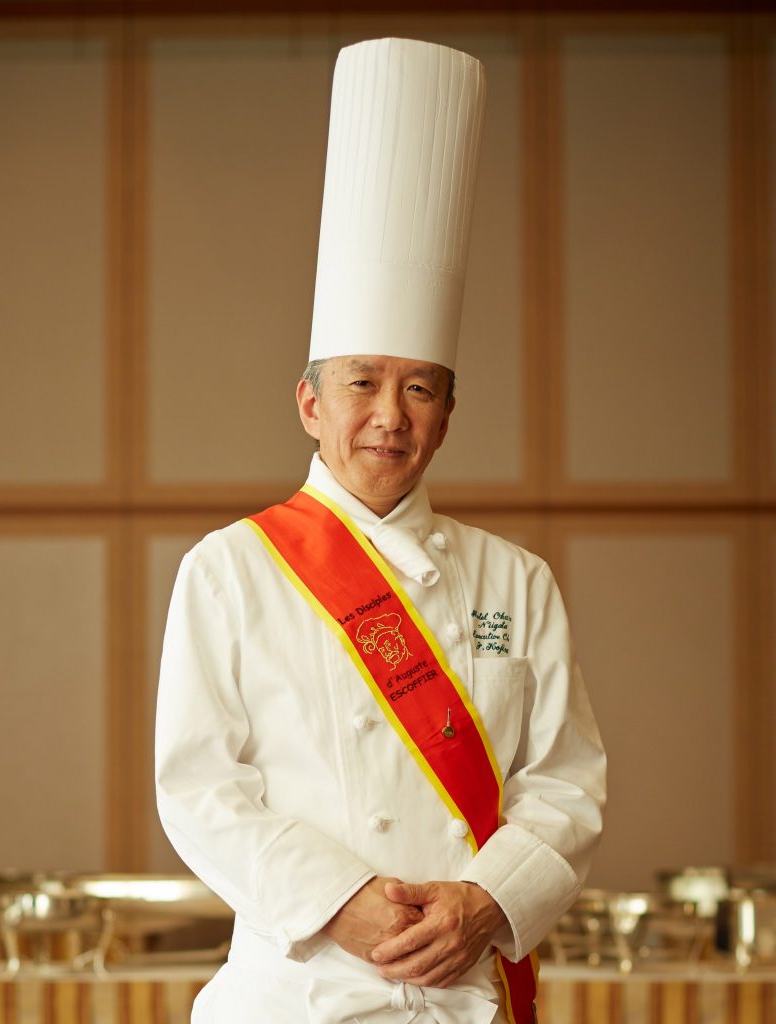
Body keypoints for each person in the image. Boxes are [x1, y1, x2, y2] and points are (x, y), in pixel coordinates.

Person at [156, 38, 606, 1024]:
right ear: (310, 403)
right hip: (293, 993)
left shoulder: (516, 581)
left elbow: (565, 785)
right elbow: (200, 788)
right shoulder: (231, 569)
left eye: (419, 389)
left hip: (462, 996)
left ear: (448, 413)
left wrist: (485, 903)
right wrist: (340, 900)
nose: (388, 417)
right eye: (361, 383)